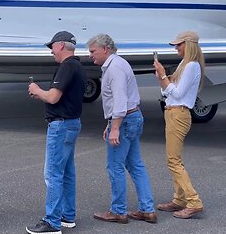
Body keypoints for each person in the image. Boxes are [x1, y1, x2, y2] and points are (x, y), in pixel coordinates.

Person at [87, 34, 157, 224]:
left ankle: (118, 211)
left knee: (115, 166)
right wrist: (110, 123)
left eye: (93, 51)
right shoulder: (120, 63)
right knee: (135, 165)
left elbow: (119, 100)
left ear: (105, 49)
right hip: (133, 117)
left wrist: (115, 127)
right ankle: (147, 209)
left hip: (125, 120)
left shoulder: (114, 68)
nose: (90, 55)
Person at [25, 31, 85, 234]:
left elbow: (52, 97)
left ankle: (52, 222)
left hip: (60, 126)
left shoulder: (66, 66)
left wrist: (36, 90)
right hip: (72, 123)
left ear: (61, 45)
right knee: (67, 172)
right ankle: (67, 216)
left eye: (52, 47)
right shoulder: (78, 66)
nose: (51, 51)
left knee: (52, 174)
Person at [153, 31, 204, 219]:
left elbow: (178, 93)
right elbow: (167, 91)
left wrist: (164, 77)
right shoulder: (186, 64)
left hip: (178, 114)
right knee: (175, 159)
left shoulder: (191, 66)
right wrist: (162, 77)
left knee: (173, 161)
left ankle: (193, 200)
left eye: (179, 45)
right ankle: (179, 200)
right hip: (174, 113)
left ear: (188, 45)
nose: (176, 48)